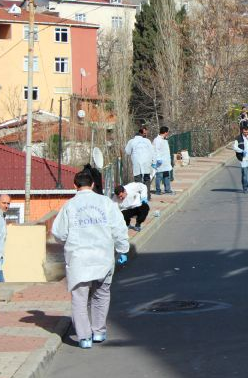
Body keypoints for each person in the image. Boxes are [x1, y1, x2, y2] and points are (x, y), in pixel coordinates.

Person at [51, 171, 129, 349]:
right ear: (93, 184)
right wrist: (122, 249)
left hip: (79, 259)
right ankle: (99, 331)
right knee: (101, 294)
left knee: (79, 298)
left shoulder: (69, 206)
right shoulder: (106, 203)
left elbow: (58, 233)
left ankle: (84, 337)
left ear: (75, 185)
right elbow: (118, 228)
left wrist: (69, 240)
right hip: (103, 257)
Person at [125, 127, 154, 200]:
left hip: (137, 163)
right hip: (147, 163)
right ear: (142, 135)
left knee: (138, 181)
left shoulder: (131, 141)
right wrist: (153, 161)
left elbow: (127, 152)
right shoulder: (147, 141)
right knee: (147, 180)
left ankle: (141, 197)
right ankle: (147, 196)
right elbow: (152, 151)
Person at [233, 126, 248, 193]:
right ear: (242, 131)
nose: (246, 133)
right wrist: (241, 151)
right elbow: (234, 147)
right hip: (243, 159)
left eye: (247, 132)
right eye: (244, 132)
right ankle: (245, 187)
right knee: (244, 174)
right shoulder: (238, 138)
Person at [153, 126, 174, 195]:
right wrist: (158, 159)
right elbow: (156, 150)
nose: (168, 133)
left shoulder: (164, 139)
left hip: (166, 162)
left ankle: (167, 189)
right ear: (165, 132)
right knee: (159, 176)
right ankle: (158, 190)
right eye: (167, 132)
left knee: (166, 176)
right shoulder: (157, 140)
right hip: (160, 162)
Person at [0, 194, 11, 283]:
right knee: (2, 290)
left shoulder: (1, 216)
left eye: (8, 203)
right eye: (4, 203)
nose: (6, 206)